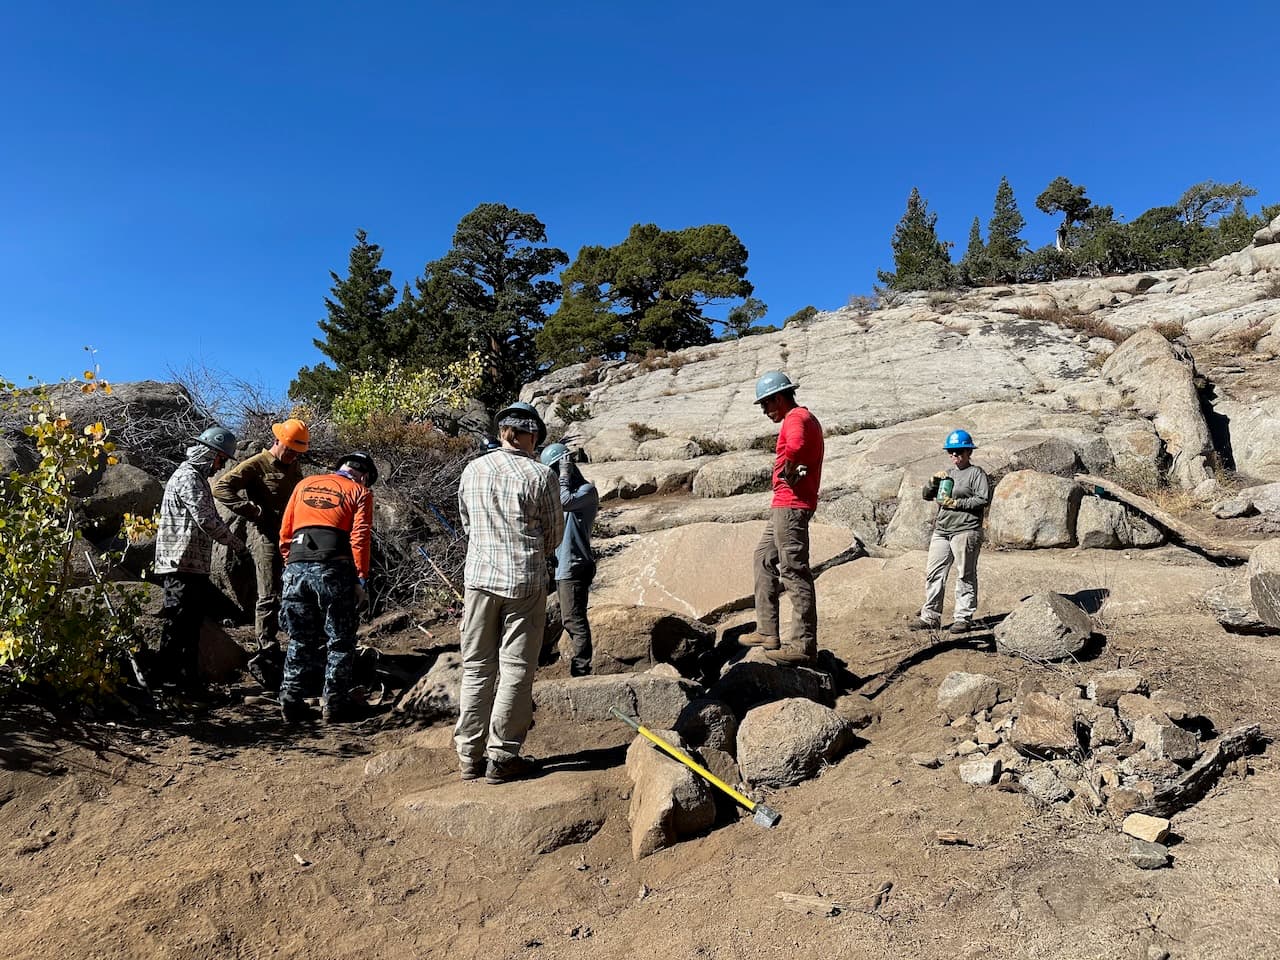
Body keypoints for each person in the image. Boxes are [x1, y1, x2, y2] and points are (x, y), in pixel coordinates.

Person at [455, 401, 563, 784]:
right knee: (516, 668)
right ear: (529, 434)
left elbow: (467, 522)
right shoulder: (541, 475)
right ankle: (502, 756)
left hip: (480, 580)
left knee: (476, 667)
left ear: (504, 432)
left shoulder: (473, 470)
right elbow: (554, 534)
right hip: (524, 580)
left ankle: (469, 754)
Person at [276, 451, 376, 723]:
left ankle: (291, 698)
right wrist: (360, 579)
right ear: (364, 475)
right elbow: (360, 537)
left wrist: (291, 564)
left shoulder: (303, 485)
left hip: (295, 568)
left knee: (300, 638)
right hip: (335, 569)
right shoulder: (360, 492)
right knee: (341, 640)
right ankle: (333, 703)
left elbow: (285, 531)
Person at [211, 418, 309, 688]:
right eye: (289, 450)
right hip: (264, 535)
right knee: (268, 594)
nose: (291, 456)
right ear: (278, 441)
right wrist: (251, 510)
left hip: (290, 535)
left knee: (293, 589)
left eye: (297, 452)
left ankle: (297, 643)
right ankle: (266, 648)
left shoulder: (294, 465)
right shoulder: (257, 463)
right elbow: (221, 487)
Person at [152, 426, 247, 692]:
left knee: (189, 627)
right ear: (212, 454)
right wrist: (236, 544)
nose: (221, 466)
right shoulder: (188, 478)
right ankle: (171, 685)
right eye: (222, 460)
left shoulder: (195, 476)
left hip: (190, 565)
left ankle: (186, 683)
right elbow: (206, 520)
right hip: (180, 563)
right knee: (179, 625)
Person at [739, 371, 825, 665]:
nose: (765, 411)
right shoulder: (800, 418)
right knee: (763, 558)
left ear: (779, 397)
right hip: (784, 505)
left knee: (793, 571)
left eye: (766, 404)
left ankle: (803, 645)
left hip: (792, 505)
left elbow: (798, 445)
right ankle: (767, 631)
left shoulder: (796, 418)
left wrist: (789, 464)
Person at [914, 429, 992, 635]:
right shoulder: (948, 474)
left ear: (968, 452)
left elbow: (983, 499)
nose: (955, 456)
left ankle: (962, 617)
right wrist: (932, 482)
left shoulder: (976, 473)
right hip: (942, 529)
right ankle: (930, 616)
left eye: (959, 452)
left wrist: (957, 503)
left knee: (964, 574)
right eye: (951, 452)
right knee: (934, 573)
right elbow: (927, 496)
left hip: (966, 530)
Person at [540, 442, 599, 677]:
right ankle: (580, 666)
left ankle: (581, 669)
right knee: (569, 617)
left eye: (557, 469)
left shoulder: (585, 491)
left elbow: (564, 501)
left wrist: (564, 473)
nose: (555, 475)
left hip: (574, 564)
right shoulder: (563, 493)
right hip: (562, 563)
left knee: (573, 619)